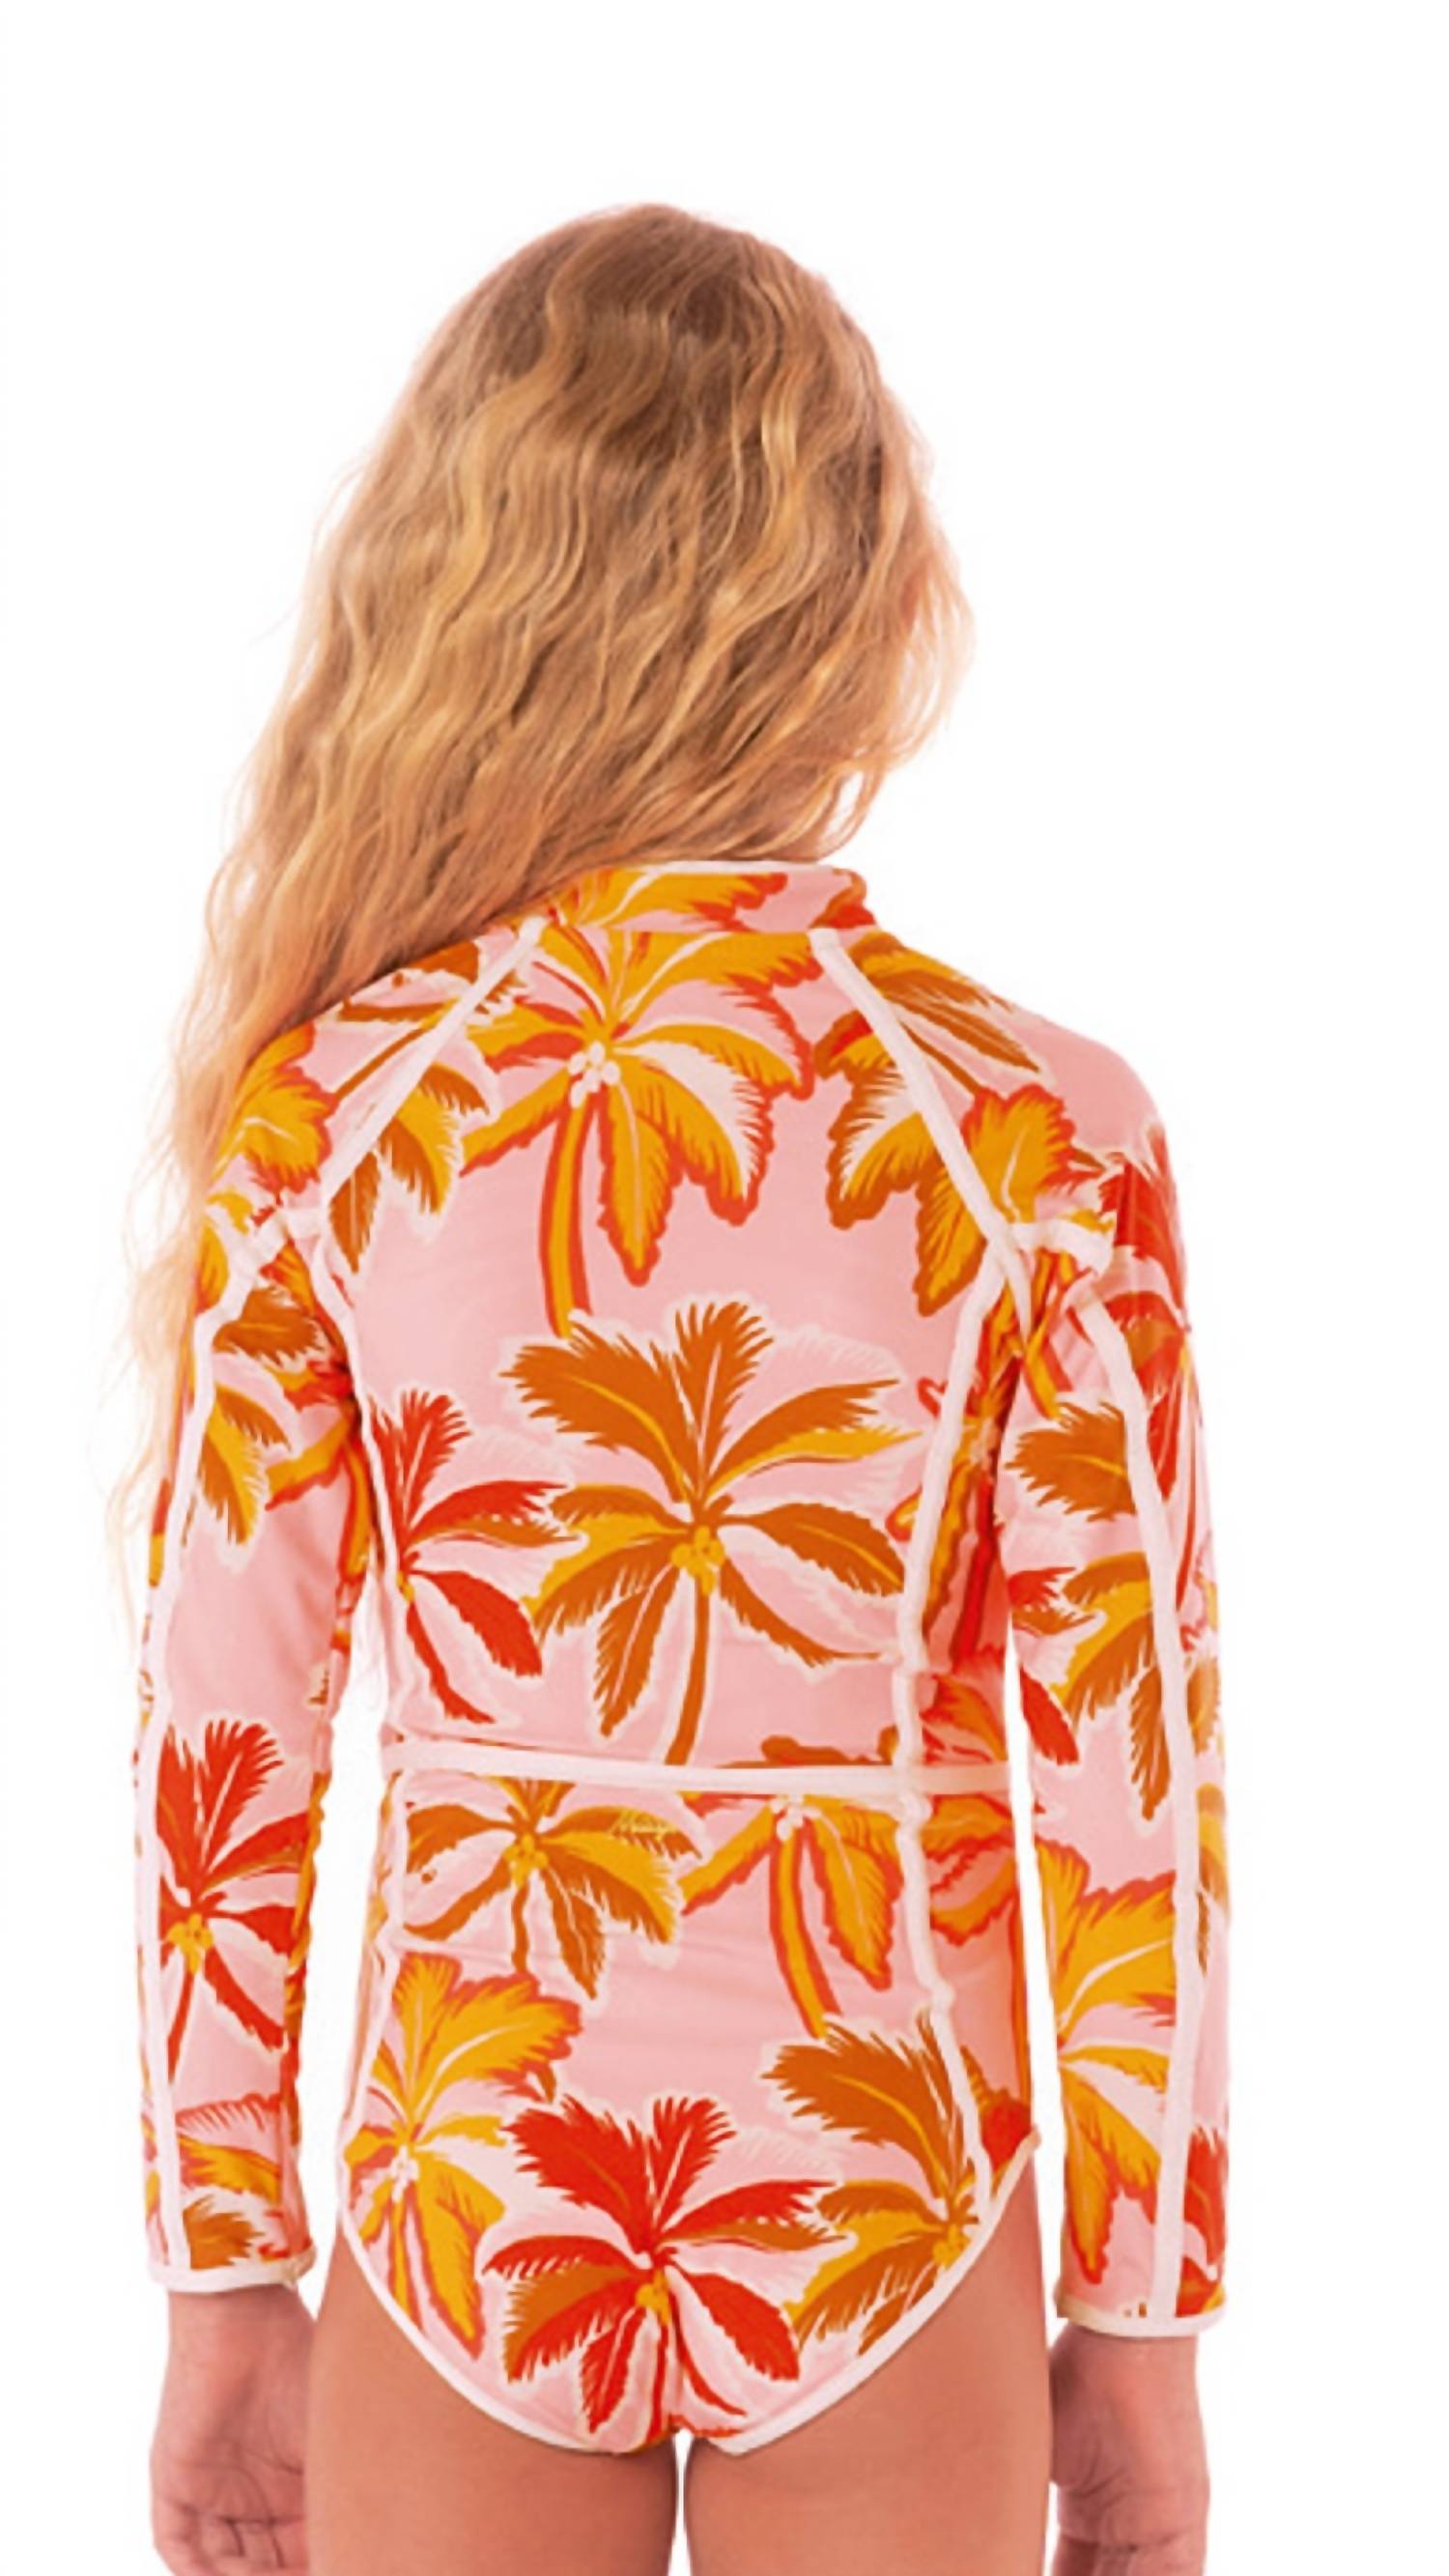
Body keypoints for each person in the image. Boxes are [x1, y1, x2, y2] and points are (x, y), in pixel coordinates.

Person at [114, 201, 1229, 2576]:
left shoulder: (339, 1117)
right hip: (888, 2162)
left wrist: (225, 2267)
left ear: (461, 590)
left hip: (473, 2163)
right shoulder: (1036, 1130)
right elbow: (1129, 1770)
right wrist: (1141, 2321)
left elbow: (227, 1736)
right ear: (863, 599)